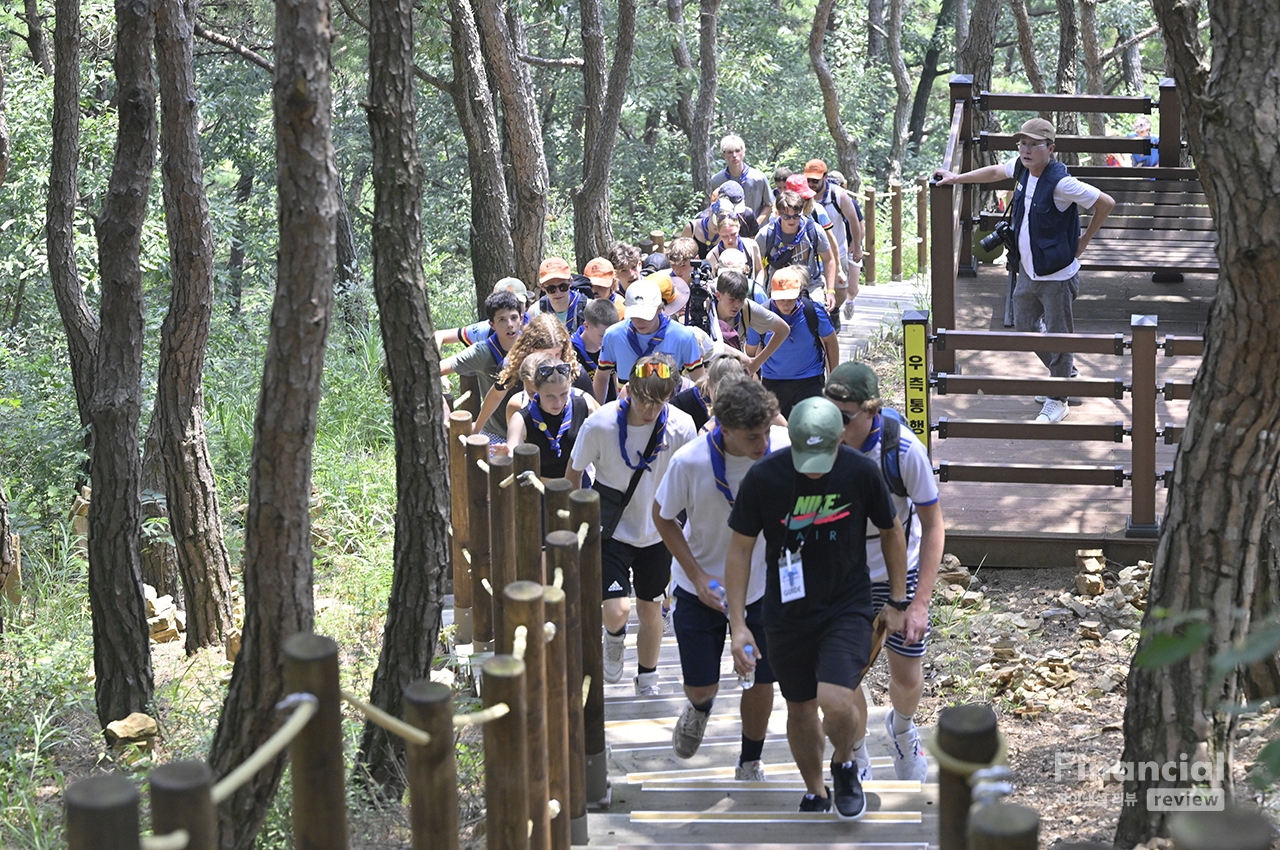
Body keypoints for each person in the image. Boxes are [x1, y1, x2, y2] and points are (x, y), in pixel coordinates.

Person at [725, 396, 908, 818]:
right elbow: (739, 551)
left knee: (838, 700)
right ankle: (816, 791)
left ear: (840, 437)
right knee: (801, 706)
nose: (813, 466)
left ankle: (844, 761)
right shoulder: (764, 478)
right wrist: (738, 624)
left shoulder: (860, 471)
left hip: (845, 604)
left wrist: (898, 600)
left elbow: (891, 531)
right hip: (786, 612)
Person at [933, 117, 1115, 423]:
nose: (1026, 150)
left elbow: (1106, 203)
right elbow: (994, 172)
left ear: (1050, 148)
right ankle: (1065, 371)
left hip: (1057, 276)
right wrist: (955, 178)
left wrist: (1083, 241)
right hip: (1028, 271)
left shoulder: (1062, 182)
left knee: (1060, 336)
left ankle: (1058, 398)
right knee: (1024, 326)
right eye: (1022, 143)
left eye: (1034, 144)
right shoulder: (1022, 168)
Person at [654, 378, 789, 779]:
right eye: (752, 437)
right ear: (723, 429)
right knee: (702, 687)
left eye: (766, 432)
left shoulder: (781, 450)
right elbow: (663, 517)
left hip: (763, 588)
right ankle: (698, 709)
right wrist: (695, 576)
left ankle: (750, 759)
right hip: (703, 591)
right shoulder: (690, 461)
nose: (762, 444)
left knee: (761, 679)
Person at [824, 362, 941, 782]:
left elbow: (933, 524)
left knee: (906, 675)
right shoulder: (820, 445)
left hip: (898, 570)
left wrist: (920, 602)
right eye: (827, 412)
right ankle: (855, 752)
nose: (833, 425)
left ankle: (903, 728)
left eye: (844, 417)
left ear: (871, 411)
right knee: (845, 674)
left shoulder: (903, 451)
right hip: (842, 575)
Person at [570, 353, 698, 694]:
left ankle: (648, 678)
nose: (651, 409)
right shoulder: (601, 424)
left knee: (651, 609)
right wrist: (571, 523)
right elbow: (574, 473)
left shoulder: (682, 426)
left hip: (659, 531)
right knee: (616, 610)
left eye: (660, 401)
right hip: (611, 527)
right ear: (628, 390)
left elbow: (693, 480)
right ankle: (613, 637)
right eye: (643, 399)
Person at [593, 277, 706, 404]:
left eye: (645, 314)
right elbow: (602, 376)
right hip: (627, 410)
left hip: (668, 411)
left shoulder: (683, 337)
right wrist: (597, 411)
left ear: (659, 308)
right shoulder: (613, 335)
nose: (639, 321)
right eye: (634, 314)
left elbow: (700, 383)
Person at [747, 267, 837, 419]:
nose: (786, 304)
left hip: (810, 379)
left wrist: (833, 379)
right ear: (771, 295)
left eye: (790, 299)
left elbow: (831, 343)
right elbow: (750, 351)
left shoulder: (813, 312)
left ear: (800, 293)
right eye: (781, 299)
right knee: (780, 435)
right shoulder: (760, 316)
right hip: (773, 382)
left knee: (810, 426)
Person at [471, 313, 579, 439]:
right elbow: (496, 395)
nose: (553, 360)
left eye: (557, 354)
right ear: (531, 349)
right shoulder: (512, 368)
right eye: (546, 355)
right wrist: (477, 427)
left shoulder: (569, 370)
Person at [440, 289, 525, 440]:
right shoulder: (482, 352)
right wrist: (440, 400)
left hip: (531, 431)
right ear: (492, 324)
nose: (510, 325)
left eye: (513, 318)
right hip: (497, 433)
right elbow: (434, 370)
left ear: (521, 318)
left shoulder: (533, 345)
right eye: (502, 320)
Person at [507, 356, 597, 481]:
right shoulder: (521, 419)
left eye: (564, 394)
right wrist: (505, 456)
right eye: (550, 396)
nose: (558, 402)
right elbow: (512, 451)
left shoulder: (584, 406)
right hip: (540, 490)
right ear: (537, 390)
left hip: (579, 486)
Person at [757, 190, 837, 308]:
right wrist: (758, 291)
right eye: (786, 217)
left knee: (819, 314)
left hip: (810, 286)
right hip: (778, 287)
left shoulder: (814, 231)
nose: (792, 221)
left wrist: (830, 291)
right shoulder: (766, 234)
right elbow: (756, 264)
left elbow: (829, 259)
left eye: (796, 216)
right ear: (778, 213)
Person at [805, 159, 864, 315]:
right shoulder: (800, 196)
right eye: (808, 180)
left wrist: (857, 248)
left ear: (825, 177)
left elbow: (854, 221)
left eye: (815, 180)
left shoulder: (838, 195)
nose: (811, 184)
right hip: (810, 253)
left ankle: (836, 311)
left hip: (837, 250)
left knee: (840, 290)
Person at [713, 270, 790, 373]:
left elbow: (783, 330)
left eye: (741, 300)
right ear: (718, 295)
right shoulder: (705, 310)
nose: (737, 305)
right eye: (732, 300)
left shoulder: (747, 308)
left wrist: (757, 363)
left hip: (734, 375)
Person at [433, 277, 532, 348]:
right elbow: (439, 335)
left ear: (526, 304)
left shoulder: (537, 325)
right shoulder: (485, 330)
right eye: (504, 305)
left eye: (518, 303)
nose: (512, 308)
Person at [712, 134, 773, 223]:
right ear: (723, 155)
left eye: (737, 151)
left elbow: (769, 204)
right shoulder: (717, 180)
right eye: (729, 152)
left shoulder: (758, 178)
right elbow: (714, 207)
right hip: (729, 231)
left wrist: (755, 224)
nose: (734, 155)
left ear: (743, 151)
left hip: (756, 232)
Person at [572, 296, 622, 402]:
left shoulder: (616, 345)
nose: (608, 340)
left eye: (612, 335)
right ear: (586, 326)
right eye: (602, 335)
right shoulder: (571, 352)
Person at [527, 257, 588, 332]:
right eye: (551, 289)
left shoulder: (588, 308)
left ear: (571, 282)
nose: (558, 292)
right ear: (542, 287)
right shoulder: (535, 312)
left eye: (563, 287)